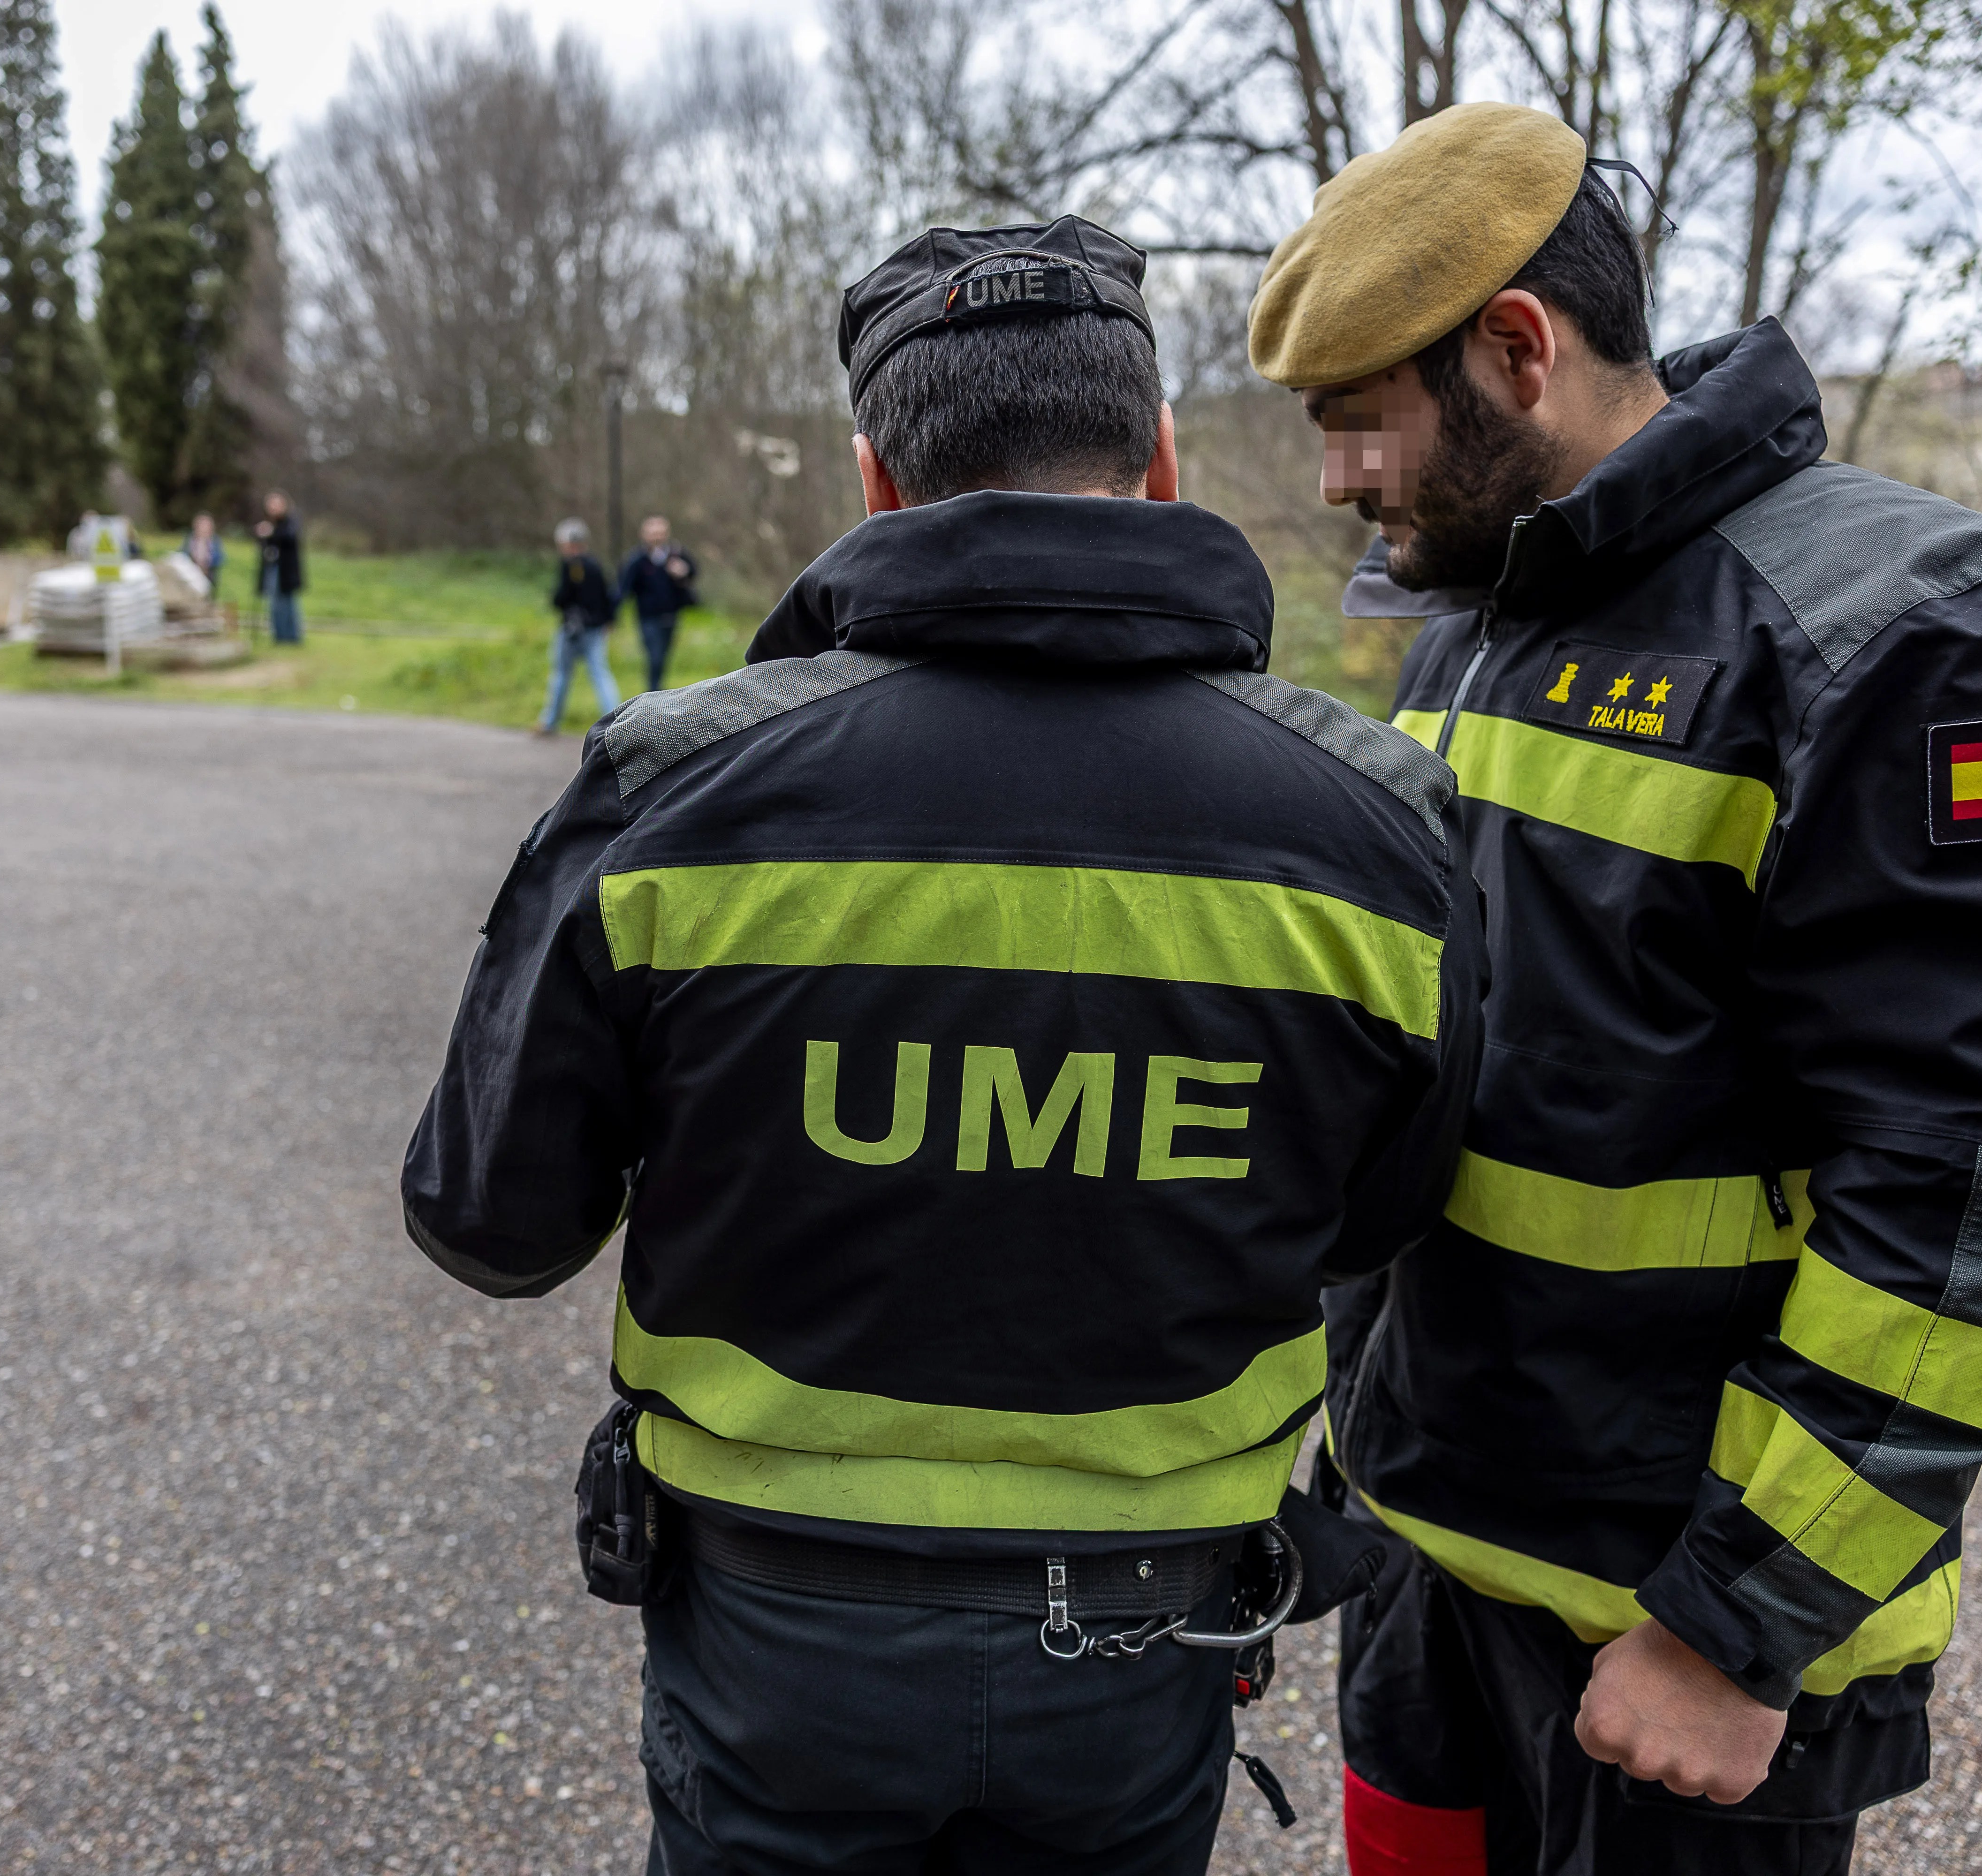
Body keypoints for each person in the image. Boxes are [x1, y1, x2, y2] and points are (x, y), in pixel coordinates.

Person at [404, 214, 1489, 1872]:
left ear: (875, 481)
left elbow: (489, 1221)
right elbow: (1381, 1214)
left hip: (783, 1634)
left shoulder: (672, 794)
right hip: (1151, 1634)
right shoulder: (1380, 821)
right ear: (1165, 460)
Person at [1246, 101, 1982, 1876]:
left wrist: (1737, 1623)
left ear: (1519, 347)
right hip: (1435, 1562)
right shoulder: (1483, 608)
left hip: (1674, 1636)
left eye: (1363, 422)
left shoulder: (1922, 631)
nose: (1343, 480)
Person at [536, 518, 621, 735]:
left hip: (573, 631)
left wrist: (557, 600)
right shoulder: (595, 564)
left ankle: (549, 722)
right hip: (595, 628)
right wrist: (608, 620)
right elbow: (608, 595)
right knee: (601, 673)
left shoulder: (571, 565)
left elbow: (563, 596)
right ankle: (618, 722)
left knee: (562, 674)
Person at [616, 514, 699, 692]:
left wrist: (683, 571)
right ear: (644, 535)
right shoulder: (638, 559)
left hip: (671, 615)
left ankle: (657, 691)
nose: (657, 537)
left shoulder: (677, 554)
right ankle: (654, 693)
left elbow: (694, 571)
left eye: (661, 533)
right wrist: (611, 614)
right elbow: (624, 588)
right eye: (653, 533)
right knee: (655, 657)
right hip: (648, 617)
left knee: (663, 656)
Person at [255, 492, 304, 645]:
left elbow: (289, 538)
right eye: (271, 505)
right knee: (275, 603)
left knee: (288, 604)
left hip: (286, 571)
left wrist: (272, 533)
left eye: (277, 505)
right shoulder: (268, 523)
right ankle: (280, 636)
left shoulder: (290, 522)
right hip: (272, 568)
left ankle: (291, 637)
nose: (274, 508)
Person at [185, 513, 223, 596]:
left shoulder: (215, 541)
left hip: (209, 575)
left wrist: (208, 563)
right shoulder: (190, 540)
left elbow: (220, 558)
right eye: (202, 525)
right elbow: (183, 555)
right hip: (191, 573)